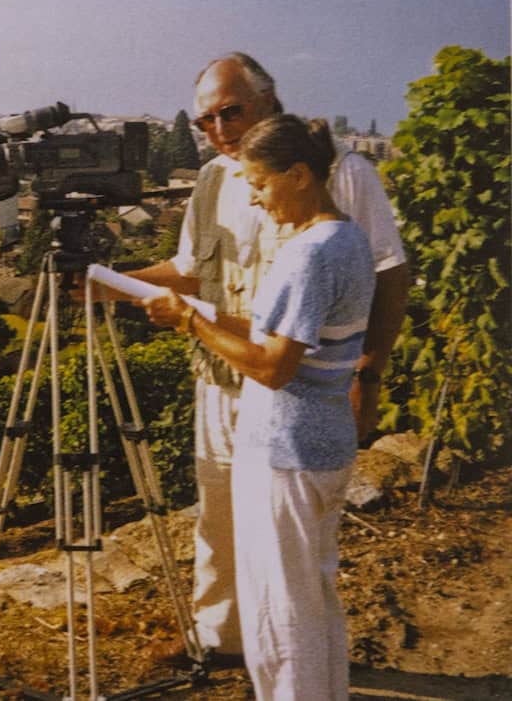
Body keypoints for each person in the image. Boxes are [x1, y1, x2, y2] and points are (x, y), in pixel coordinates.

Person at [117, 53, 410, 662]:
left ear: (268, 102)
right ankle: (221, 637)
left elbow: (390, 272)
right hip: (221, 376)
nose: (218, 129)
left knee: (290, 543)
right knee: (217, 513)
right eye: (205, 121)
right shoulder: (211, 180)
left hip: (295, 390)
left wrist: (368, 374)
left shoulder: (342, 172)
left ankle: (292, 656)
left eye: (231, 112)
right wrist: (106, 283)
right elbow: (189, 272)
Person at [143, 114, 374, 700]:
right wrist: (210, 316)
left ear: (298, 175)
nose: (254, 196)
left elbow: (274, 367)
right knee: (311, 596)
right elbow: (285, 333)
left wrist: (193, 321)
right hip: (322, 445)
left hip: (285, 452)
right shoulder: (347, 239)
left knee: (279, 611)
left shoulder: (307, 254)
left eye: (260, 183)